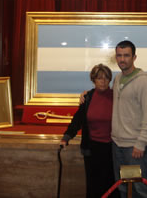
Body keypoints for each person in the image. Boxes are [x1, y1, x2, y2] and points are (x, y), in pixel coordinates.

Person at [60, 63, 119, 198]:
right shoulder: (88, 98)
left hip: (112, 148)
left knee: (112, 186)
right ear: (93, 80)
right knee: (94, 186)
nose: (103, 81)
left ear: (110, 80)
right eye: (99, 78)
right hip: (92, 149)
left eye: (106, 78)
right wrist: (66, 137)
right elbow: (77, 120)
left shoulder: (117, 97)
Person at [112, 40, 147, 198]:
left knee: (141, 191)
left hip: (134, 148)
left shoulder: (145, 81)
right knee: (124, 188)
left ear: (134, 57)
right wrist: (87, 94)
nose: (122, 59)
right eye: (119, 55)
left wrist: (141, 143)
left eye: (126, 55)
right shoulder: (117, 79)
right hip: (117, 145)